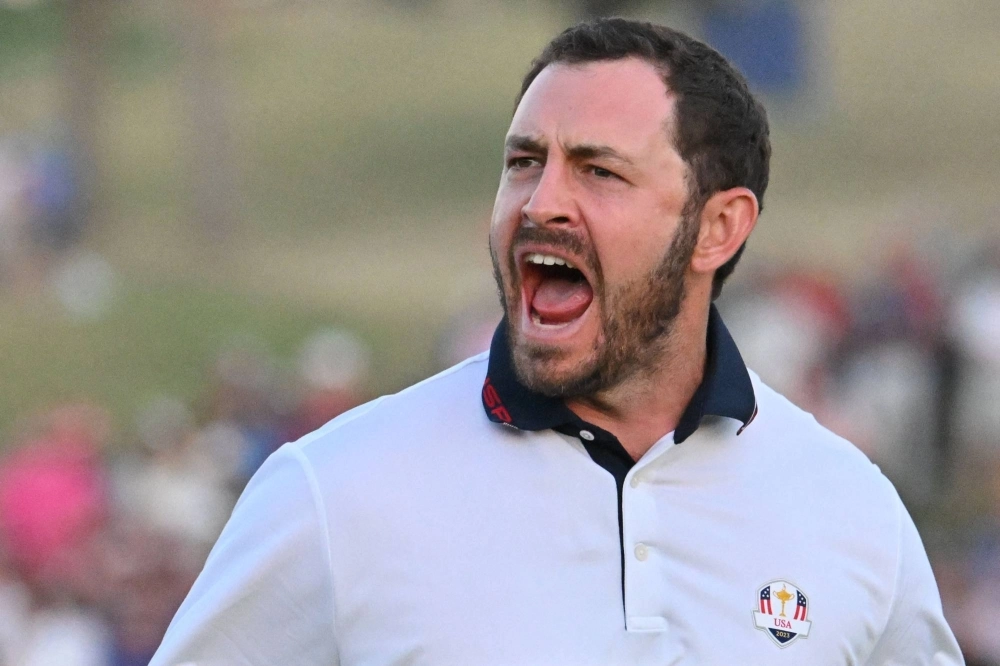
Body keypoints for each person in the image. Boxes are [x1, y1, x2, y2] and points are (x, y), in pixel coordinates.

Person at [151, 19, 962, 665]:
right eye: (524, 162)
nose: (542, 203)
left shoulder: (851, 512)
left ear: (718, 227)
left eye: (598, 171)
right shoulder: (333, 493)